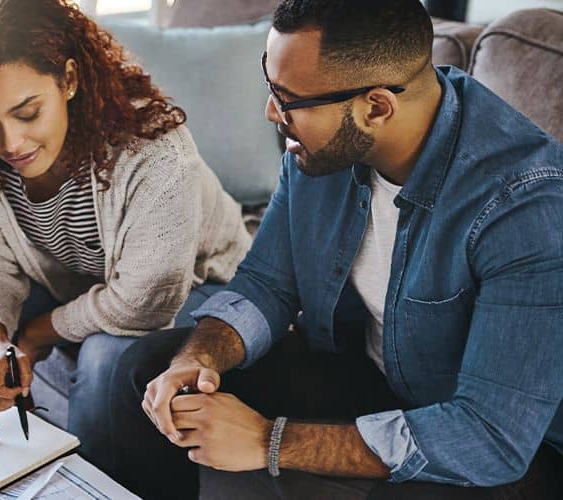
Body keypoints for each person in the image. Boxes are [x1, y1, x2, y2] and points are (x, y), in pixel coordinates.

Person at [107, 0, 563, 498]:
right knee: (148, 374)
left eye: (287, 99)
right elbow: (267, 283)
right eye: (270, 87)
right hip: (369, 375)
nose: (270, 113)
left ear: (376, 107)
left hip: (503, 442)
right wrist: (198, 360)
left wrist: (267, 441)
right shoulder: (321, 150)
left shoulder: (525, 206)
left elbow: (489, 437)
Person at [0, 0, 251, 467]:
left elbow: (141, 302)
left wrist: (36, 335)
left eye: (27, 113)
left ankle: (94, 486)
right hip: (86, 278)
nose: (11, 144)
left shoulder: (155, 153)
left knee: (106, 360)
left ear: (68, 80)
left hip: (201, 286)